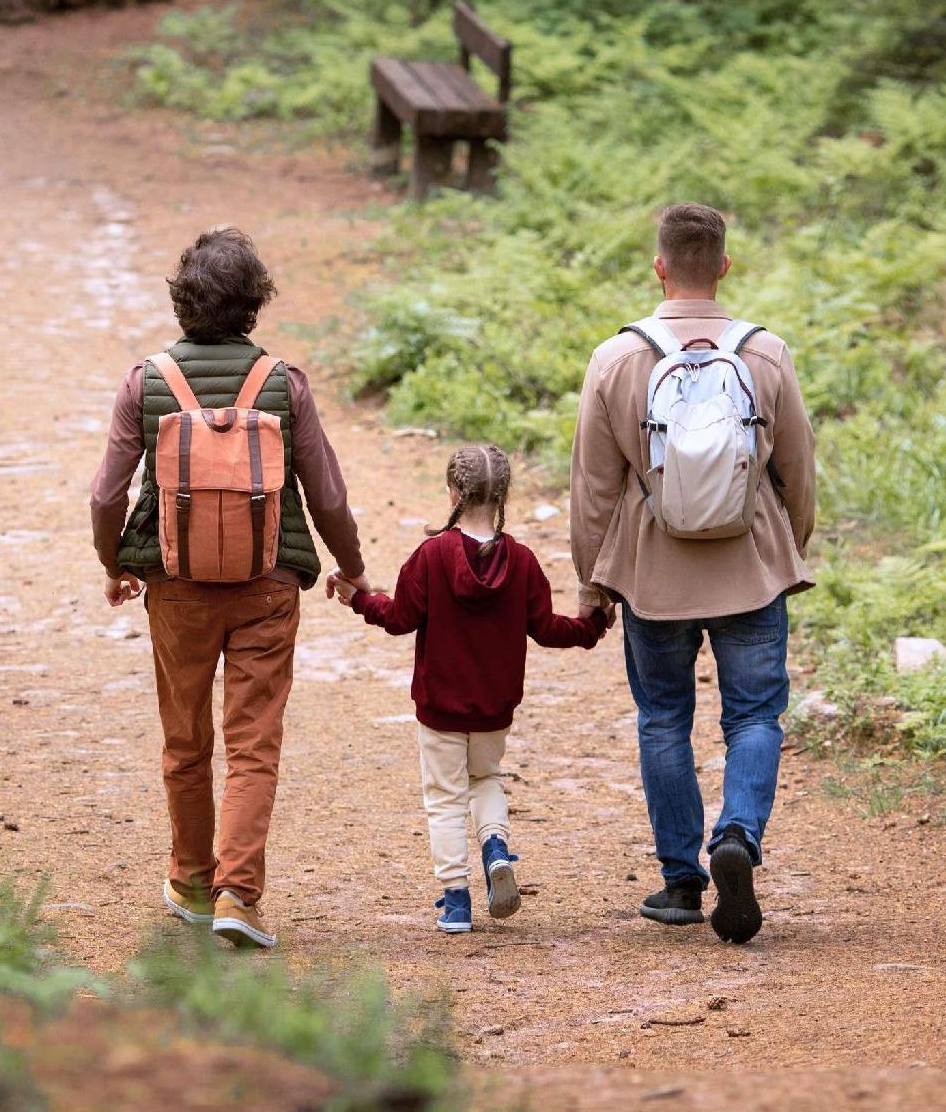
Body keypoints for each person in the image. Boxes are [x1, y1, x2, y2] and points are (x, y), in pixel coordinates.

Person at [89, 228, 366, 950]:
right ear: (253, 304)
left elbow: (105, 494)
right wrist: (352, 565)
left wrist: (113, 562)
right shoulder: (283, 383)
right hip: (267, 584)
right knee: (253, 743)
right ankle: (238, 893)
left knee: (186, 740)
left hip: (174, 586)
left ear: (183, 300)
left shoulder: (144, 383)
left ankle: (188, 879)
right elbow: (328, 492)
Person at [570, 203, 816, 944]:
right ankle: (736, 833)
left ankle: (680, 881)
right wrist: (785, 548)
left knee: (663, 718)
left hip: (654, 575)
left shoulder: (617, 358)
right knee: (754, 715)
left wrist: (593, 582)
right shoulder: (766, 354)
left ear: (659, 267)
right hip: (750, 568)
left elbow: (593, 486)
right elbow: (798, 470)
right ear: (725, 266)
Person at [328, 445, 610, 934]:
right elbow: (547, 628)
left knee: (443, 796)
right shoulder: (521, 561)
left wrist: (361, 599)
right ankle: (495, 848)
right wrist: (594, 623)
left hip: (440, 706)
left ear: (453, 492)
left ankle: (457, 901)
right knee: (486, 780)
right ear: (503, 495)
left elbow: (398, 619)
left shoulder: (432, 556)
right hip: (495, 707)